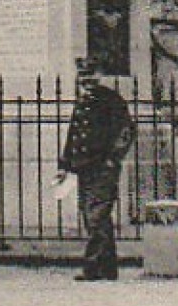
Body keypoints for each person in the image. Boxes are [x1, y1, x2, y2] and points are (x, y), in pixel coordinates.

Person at [57, 59, 136, 281]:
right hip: (85, 166)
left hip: (102, 167)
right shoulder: (83, 102)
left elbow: (127, 131)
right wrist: (65, 165)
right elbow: (74, 135)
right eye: (83, 77)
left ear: (99, 75)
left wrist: (113, 159)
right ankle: (108, 268)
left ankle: (92, 266)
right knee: (93, 215)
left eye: (91, 76)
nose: (87, 81)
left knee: (96, 215)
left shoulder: (110, 100)